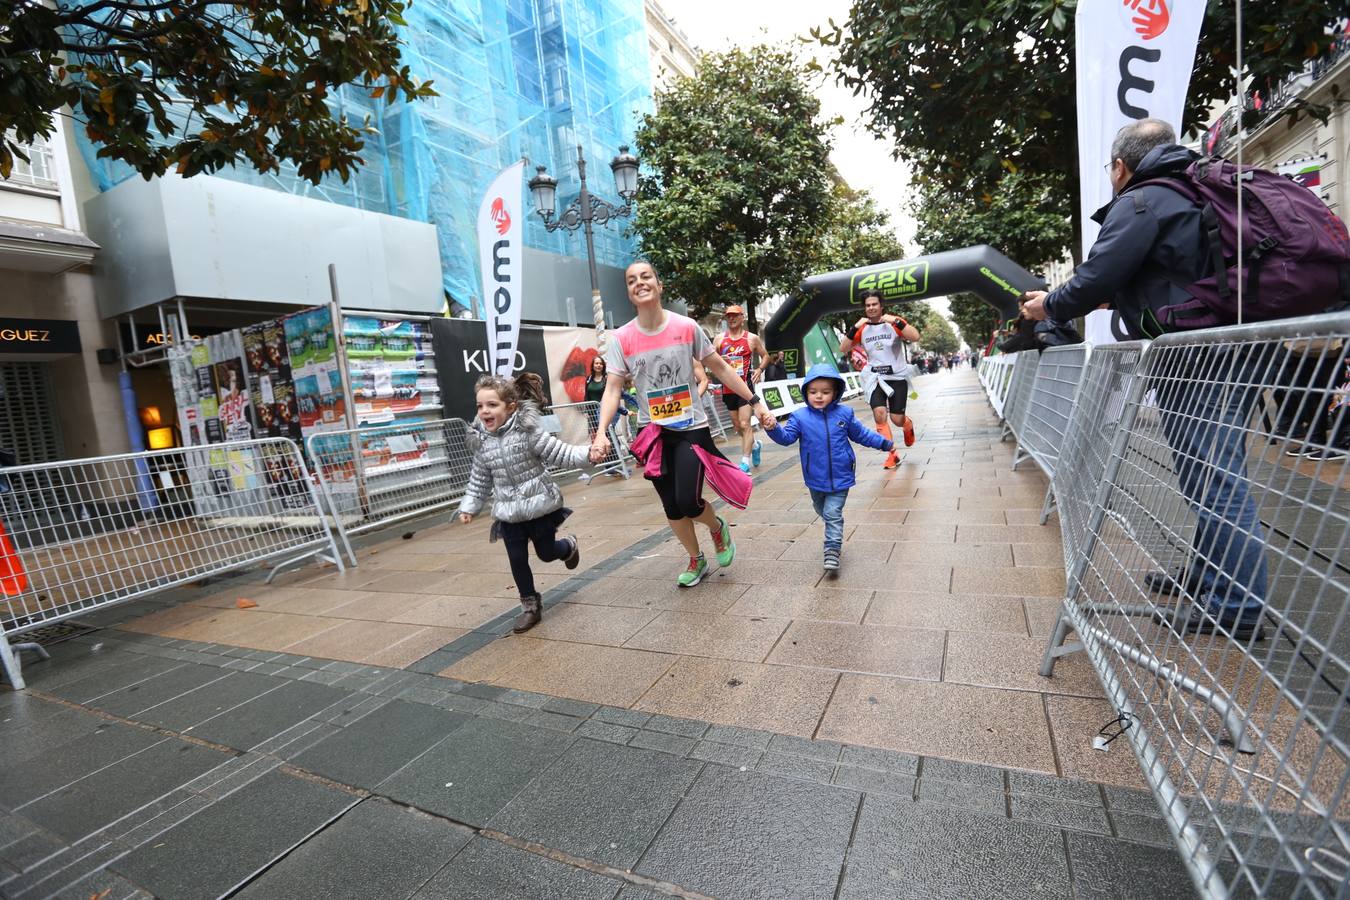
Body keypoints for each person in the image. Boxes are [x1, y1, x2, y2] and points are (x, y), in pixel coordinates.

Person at [1020, 117, 1268, 641]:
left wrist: (1050, 306)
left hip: (1196, 355)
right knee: (1208, 474)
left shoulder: (1142, 200)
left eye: (1111, 168)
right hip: (1228, 345)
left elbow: (1097, 273)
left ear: (1119, 166)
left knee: (1215, 478)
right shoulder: (1192, 188)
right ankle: (1210, 574)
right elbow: (1172, 274)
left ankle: (1236, 606)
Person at [590, 261, 776, 587]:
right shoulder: (622, 339)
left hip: (691, 427)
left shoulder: (686, 327)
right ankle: (696, 558)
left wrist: (755, 403)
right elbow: (613, 388)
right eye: (631, 280)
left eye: (646, 276)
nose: (639, 282)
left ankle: (717, 528)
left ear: (659, 285)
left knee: (688, 500)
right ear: (629, 293)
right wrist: (601, 433)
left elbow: (720, 368)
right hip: (653, 432)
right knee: (672, 507)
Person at [458, 372, 589, 633]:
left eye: (492, 405)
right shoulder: (482, 442)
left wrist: (589, 453)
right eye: (480, 406)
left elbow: (560, 452)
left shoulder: (528, 432)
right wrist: (469, 506)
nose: (484, 411)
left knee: (546, 553)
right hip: (508, 512)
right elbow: (479, 479)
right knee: (517, 559)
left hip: (539, 506)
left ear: (511, 407)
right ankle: (530, 605)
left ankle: (567, 547)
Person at [764, 364, 892, 572]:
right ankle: (834, 526)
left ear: (835, 392)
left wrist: (883, 443)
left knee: (832, 513)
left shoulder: (845, 414)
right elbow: (786, 438)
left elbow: (862, 434)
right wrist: (773, 428)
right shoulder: (799, 417)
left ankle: (832, 548)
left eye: (825, 392)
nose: (819, 396)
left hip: (842, 475)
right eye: (813, 392)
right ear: (806, 392)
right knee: (821, 509)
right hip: (814, 476)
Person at [839, 291, 921, 469]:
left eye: (874, 304)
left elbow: (915, 336)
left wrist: (897, 321)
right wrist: (854, 328)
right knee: (879, 414)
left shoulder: (893, 324)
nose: (871, 308)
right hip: (875, 378)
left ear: (881, 305)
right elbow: (843, 348)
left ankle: (907, 425)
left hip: (897, 377)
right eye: (867, 305)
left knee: (896, 419)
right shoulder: (862, 329)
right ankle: (892, 454)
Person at [715, 305, 769, 472]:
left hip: (745, 387)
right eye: (728, 316)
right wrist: (719, 360)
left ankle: (744, 463)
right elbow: (709, 362)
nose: (731, 319)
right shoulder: (718, 339)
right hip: (728, 388)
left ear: (742, 317)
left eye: (735, 316)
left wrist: (760, 369)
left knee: (745, 423)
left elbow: (766, 355)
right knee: (738, 426)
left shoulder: (751, 338)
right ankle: (754, 446)